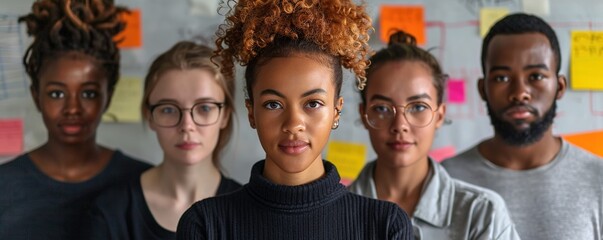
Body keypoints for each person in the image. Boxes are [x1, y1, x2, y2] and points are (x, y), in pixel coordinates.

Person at [176, 1, 413, 239]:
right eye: (273, 104)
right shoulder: (205, 225)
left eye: (312, 104)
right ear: (251, 112)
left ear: (336, 111)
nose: (293, 124)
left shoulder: (385, 226)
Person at [441, 13, 603, 240]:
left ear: (560, 87)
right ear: (482, 88)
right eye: (501, 78)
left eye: (536, 76)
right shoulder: (446, 179)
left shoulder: (598, 179)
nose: (519, 93)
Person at [0, 0, 152, 239]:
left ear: (108, 97)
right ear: (36, 96)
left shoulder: (144, 185)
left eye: (88, 93)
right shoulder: (4, 186)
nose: (73, 108)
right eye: (57, 93)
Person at [348, 30, 520, 240]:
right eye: (382, 108)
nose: (400, 125)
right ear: (364, 115)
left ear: (439, 115)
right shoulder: (333, 214)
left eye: (418, 107)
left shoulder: (481, 213)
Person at [87, 41, 241, 240]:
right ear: (149, 116)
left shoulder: (249, 212)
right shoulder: (111, 212)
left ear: (225, 115)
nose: (187, 125)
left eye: (204, 108)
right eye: (168, 109)